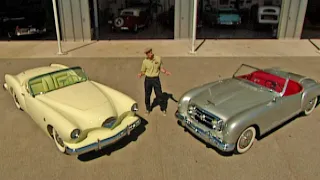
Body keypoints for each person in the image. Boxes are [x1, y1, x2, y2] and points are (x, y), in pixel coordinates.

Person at [137, 48, 171, 116]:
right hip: (148, 79)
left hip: (156, 79)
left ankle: (163, 109)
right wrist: (141, 74)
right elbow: (143, 71)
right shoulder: (145, 62)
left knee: (159, 95)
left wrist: (165, 72)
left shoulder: (158, 58)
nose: (148, 54)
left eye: (149, 52)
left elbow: (160, 68)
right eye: (147, 53)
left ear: (151, 52)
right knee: (147, 95)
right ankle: (148, 109)